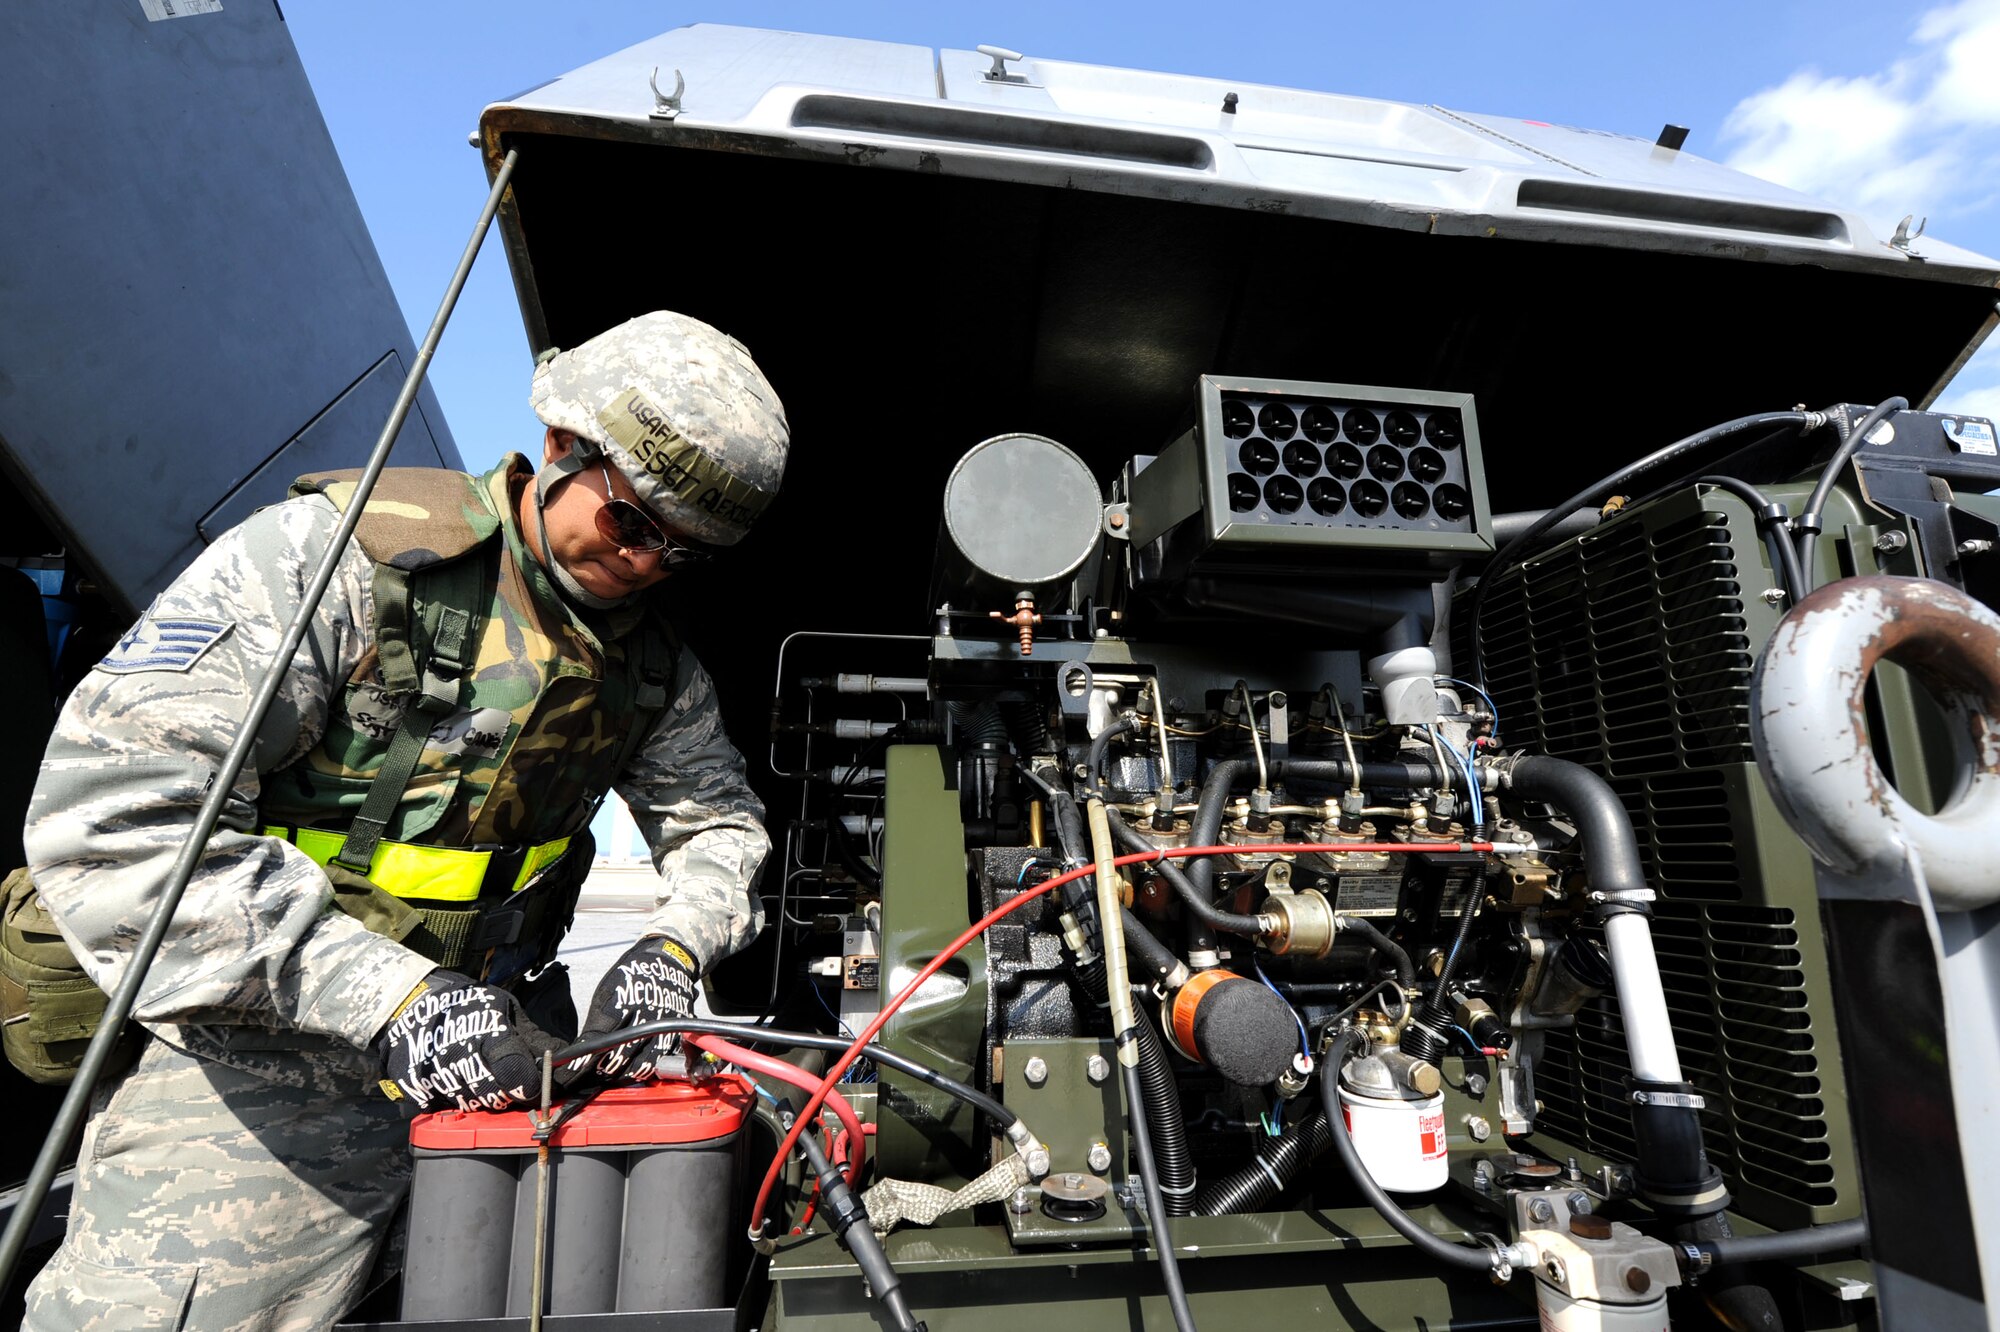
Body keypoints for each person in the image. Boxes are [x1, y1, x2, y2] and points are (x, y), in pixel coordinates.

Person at [18, 311, 787, 1329]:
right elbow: (118, 817)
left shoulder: (650, 671)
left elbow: (719, 824)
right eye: (633, 525)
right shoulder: (332, 567)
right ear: (559, 446)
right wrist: (394, 1000)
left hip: (500, 1070)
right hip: (262, 1081)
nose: (647, 566)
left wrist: (676, 945)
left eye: (682, 556)